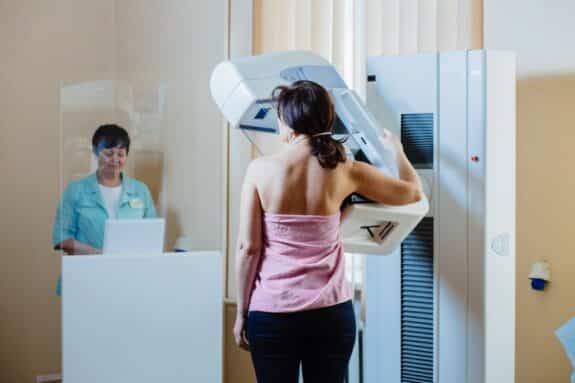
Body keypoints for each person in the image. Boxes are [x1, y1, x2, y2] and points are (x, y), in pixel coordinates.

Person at [233, 80, 423, 383]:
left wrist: (242, 311)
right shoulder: (346, 170)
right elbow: (413, 193)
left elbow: (249, 249)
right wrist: (397, 151)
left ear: (291, 122)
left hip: (273, 313)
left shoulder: (261, 170)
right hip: (331, 313)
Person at [52, 124, 157, 294]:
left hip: (129, 279)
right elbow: (62, 239)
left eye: (121, 154)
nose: (115, 159)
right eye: (108, 153)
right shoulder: (76, 190)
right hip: (85, 278)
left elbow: (151, 235)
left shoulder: (140, 191)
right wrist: (102, 254)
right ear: (95, 152)